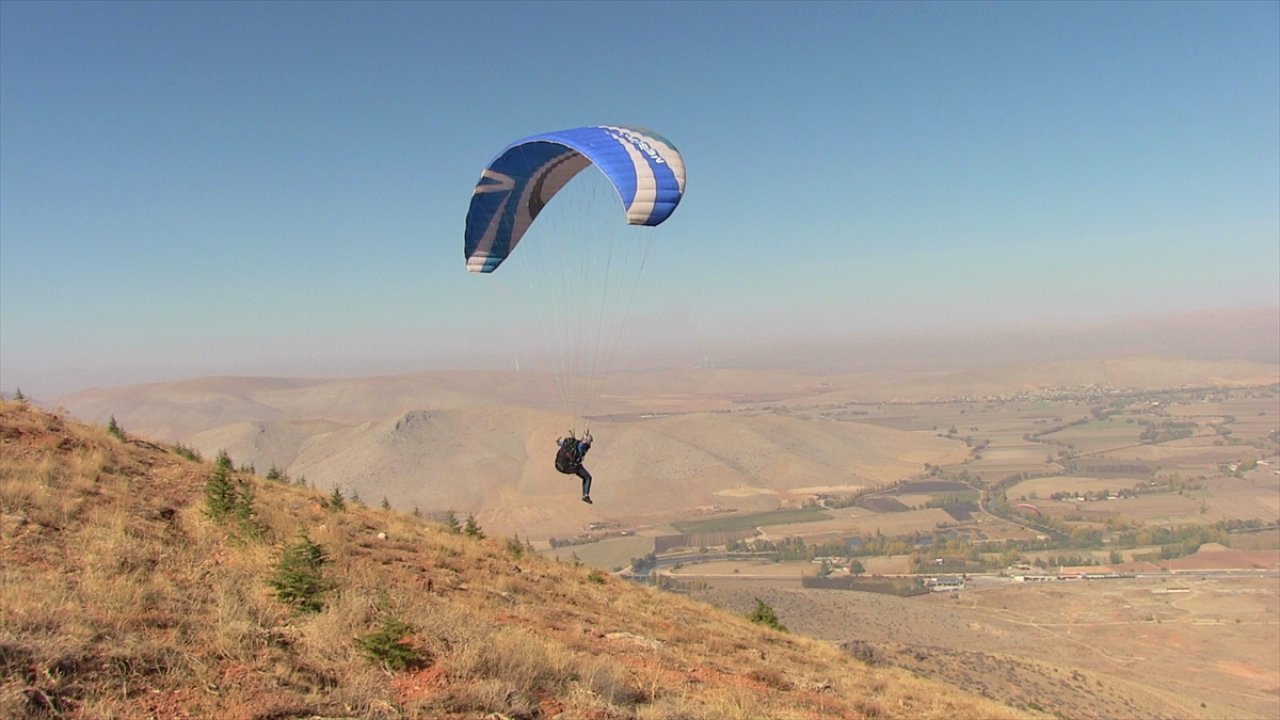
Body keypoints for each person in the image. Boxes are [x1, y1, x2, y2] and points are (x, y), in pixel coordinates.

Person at [555, 431, 593, 503]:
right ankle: (585, 495)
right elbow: (582, 445)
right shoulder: (582, 446)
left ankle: (585, 495)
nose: (590, 444)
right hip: (570, 466)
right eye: (590, 442)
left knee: (585, 476)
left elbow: (560, 443)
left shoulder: (573, 444)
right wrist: (585, 441)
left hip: (560, 465)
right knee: (588, 477)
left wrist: (559, 442)